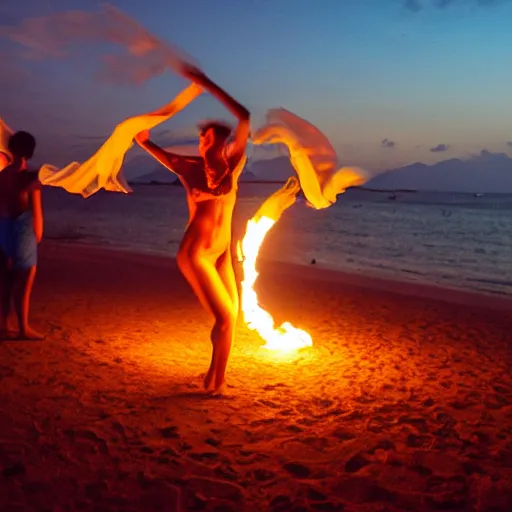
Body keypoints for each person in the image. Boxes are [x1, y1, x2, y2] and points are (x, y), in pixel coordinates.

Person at [135, 66, 250, 395]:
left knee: (232, 319)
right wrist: (144, 133)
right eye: (204, 136)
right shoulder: (189, 167)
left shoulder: (235, 164)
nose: (206, 140)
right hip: (196, 254)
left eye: (213, 136)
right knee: (226, 318)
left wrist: (207, 85)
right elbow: (147, 143)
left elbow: (244, 116)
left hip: (222, 253)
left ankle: (216, 379)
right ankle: (213, 386)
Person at [0, 131, 44, 340]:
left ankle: (4, 323)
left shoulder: (2, 175)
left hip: (3, 228)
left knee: (7, 280)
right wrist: (38, 234)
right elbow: (36, 211)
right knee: (24, 282)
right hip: (22, 229)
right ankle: (23, 328)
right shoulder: (30, 177)